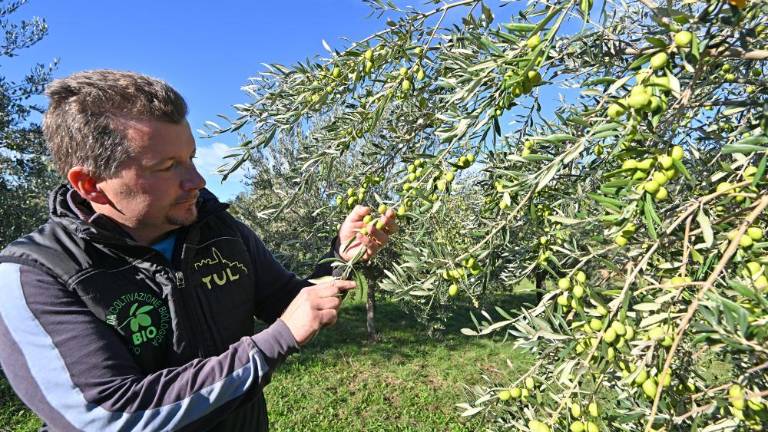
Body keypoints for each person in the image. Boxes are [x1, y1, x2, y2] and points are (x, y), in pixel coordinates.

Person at [0, 70, 397, 431]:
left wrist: (342, 258)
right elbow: (107, 416)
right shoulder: (34, 275)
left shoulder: (218, 230)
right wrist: (273, 342)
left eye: (190, 157)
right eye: (167, 166)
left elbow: (290, 302)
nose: (197, 180)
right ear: (90, 184)